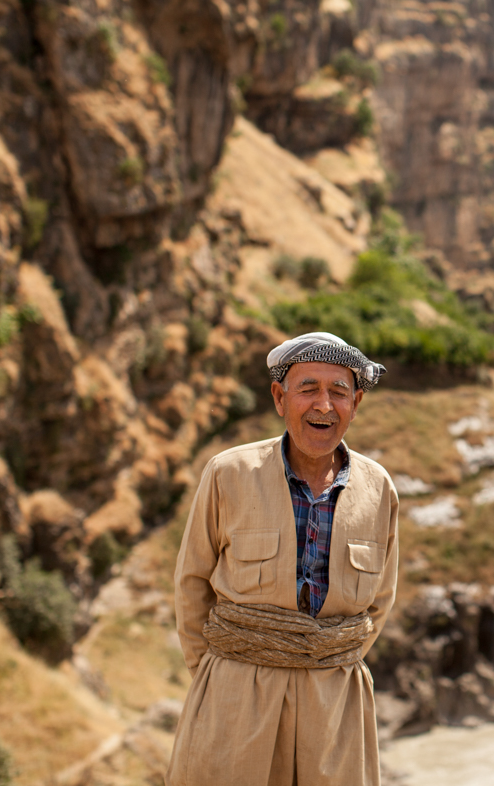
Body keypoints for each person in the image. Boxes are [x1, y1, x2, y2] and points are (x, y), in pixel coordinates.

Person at [166, 331, 399, 786]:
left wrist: (319, 659)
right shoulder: (228, 474)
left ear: (357, 404)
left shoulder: (379, 489)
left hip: (335, 705)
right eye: (308, 388)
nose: (324, 406)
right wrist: (221, 678)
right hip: (235, 696)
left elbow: (380, 603)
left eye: (339, 392)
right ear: (279, 397)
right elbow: (191, 585)